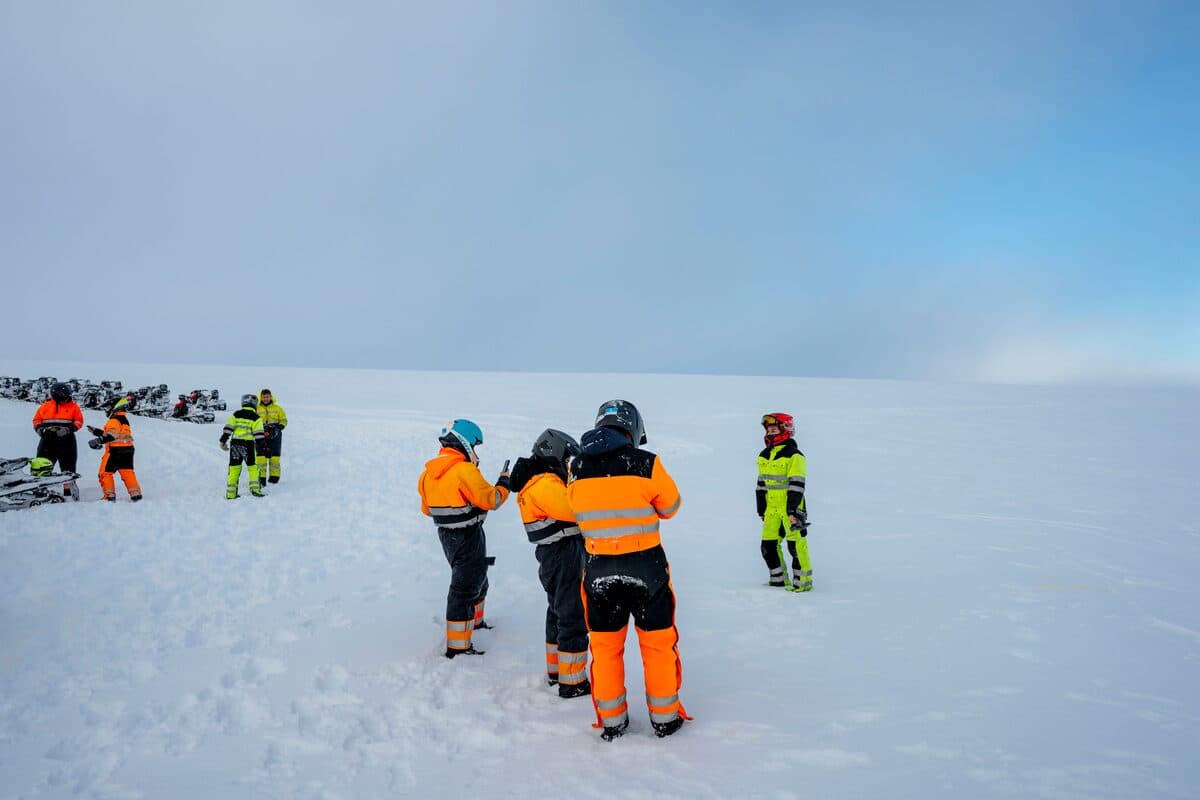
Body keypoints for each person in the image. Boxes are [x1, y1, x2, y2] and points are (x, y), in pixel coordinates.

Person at [568, 400, 688, 740]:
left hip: (598, 569)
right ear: (633, 429)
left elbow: (574, 507)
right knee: (657, 645)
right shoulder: (645, 462)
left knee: (605, 649)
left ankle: (612, 721)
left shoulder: (576, 466)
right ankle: (665, 718)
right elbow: (672, 506)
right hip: (646, 567)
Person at [417, 419, 510, 658]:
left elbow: (427, 509)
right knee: (465, 587)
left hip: (447, 537)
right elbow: (492, 500)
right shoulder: (464, 470)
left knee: (476, 578)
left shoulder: (427, 474)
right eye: (475, 446)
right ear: (465, 442)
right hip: (468, 535)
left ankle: (475, 623)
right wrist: (504, 483)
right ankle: (458, 647)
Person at [509, 429, 590, 698]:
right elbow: (576, 509)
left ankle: (557, 672)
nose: (569, 465)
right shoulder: (545, 484)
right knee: (572, 614)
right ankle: (573, 681)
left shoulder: (536, 482)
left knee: (557, 611)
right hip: (563, 555)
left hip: (555, 555)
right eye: (567, 458)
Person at [757, 412, 811, 591]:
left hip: (791, 507)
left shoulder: (795, 456)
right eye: (768, 429)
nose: (771, 432)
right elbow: (761, 485)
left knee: (795, 545)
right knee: (768, 546)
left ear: (786, 430)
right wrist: (761, 509)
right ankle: (778, 580)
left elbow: (797, 485)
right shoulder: (764, 455)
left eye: (774, 429)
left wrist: (793, 510)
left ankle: (802, 584)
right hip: (771, 508)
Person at [32, 382, 84, 495]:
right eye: (64, 396)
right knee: (42, 464)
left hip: (66, 440)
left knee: (68, 465)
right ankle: (40, 488)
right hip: (47, 440)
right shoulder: (45, 406)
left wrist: (67, 430)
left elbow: (79, 421)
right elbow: (36, 420)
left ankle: (68, 489)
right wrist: (41, 431)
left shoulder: (73, 406)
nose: (67, 398)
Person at [86, 397, 142, 502]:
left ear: (116, 407)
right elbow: (117, 434)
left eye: (108, 407)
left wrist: (97, 440)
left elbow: (111, 435)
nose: (106, 410)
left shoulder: (114, 420)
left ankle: (109, 496)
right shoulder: (123, 420)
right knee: (127, 472)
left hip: (115, 451)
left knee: (105, 473)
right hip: (127, 450)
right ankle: (136, 495)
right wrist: (97, 431)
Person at [218, 394, 266, 499]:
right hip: (248, 445)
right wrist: (264, 448)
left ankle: (231, 493)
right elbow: (259, 436)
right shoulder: (256, 418)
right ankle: (255, 490)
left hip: (235, 444)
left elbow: (228, 428)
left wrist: (223, 441)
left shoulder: (236, 414)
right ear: (255, 404)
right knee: (253, 467)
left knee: (234, 468)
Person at [255, 388, 288, 484]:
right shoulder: (256, 408)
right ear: (261, 397)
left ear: (271, 397)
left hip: (275, 435)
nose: (266, 398)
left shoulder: (278, 408)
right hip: (260, 435)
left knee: (275, 456)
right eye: (264, 397)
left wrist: (278, 427)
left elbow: (284, 420)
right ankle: (261, 478)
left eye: (268, 397)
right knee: (261, 457)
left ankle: (274, 477)